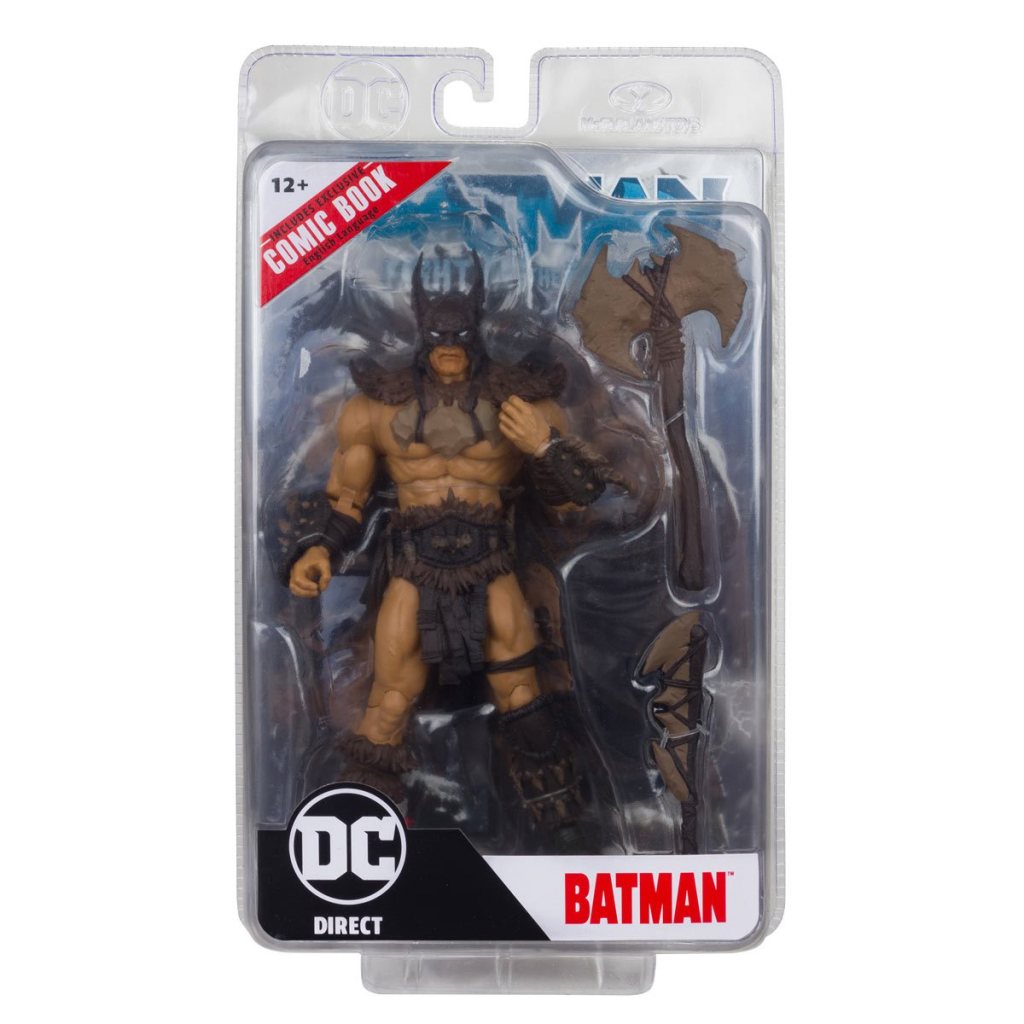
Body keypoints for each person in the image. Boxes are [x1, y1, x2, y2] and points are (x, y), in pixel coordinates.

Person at [288, 252, 616, 830]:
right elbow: (348, 499)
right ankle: (359, 828)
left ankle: (563, 831)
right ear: (421, 331)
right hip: (413, 570)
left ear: (477, 331)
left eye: (459, 335)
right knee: (389, 700)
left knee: (521, 694)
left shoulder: (522, 404)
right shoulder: (375, 408)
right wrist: (320, 549)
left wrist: (544, 446)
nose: (448, 347)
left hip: (493, 565)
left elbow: (575, 500)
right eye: (438, 336)